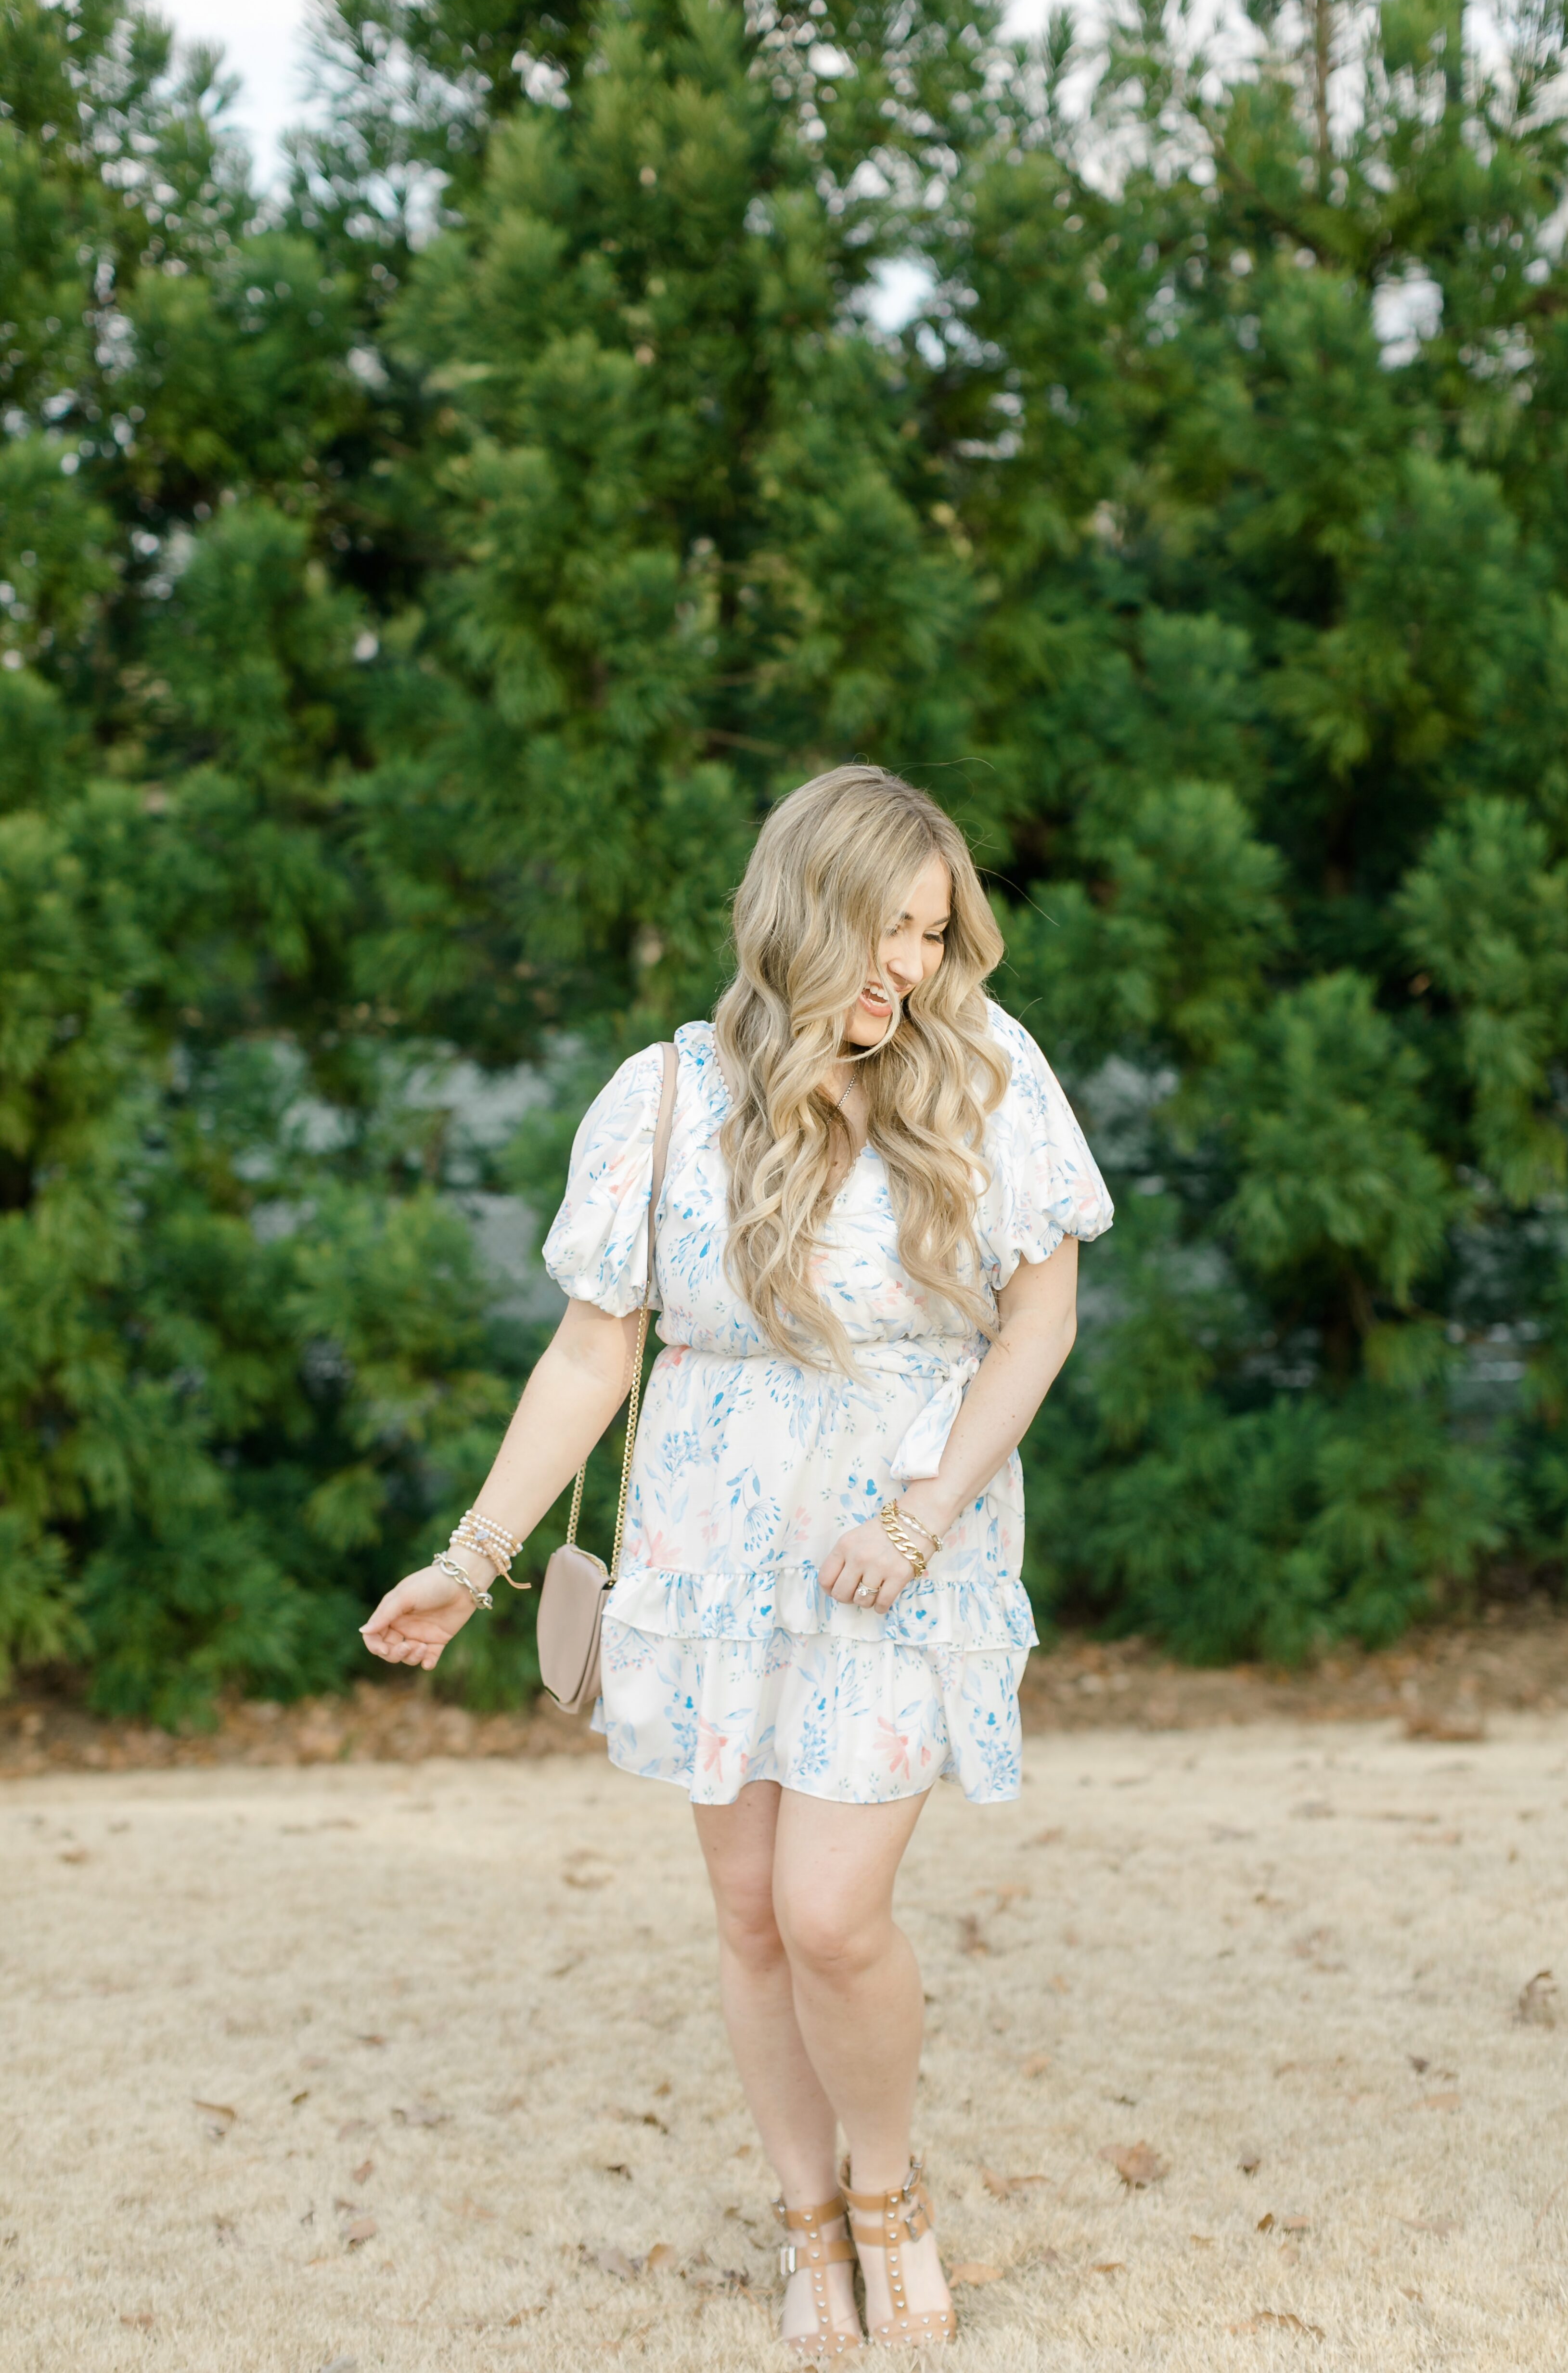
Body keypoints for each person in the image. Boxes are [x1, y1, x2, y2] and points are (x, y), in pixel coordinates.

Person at [359, 764, 1114, 2353]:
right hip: (714, 1552)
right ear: (797, 914)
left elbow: (1039, 1323)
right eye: (883, 929)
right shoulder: (662, 1096)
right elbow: (591, 1355)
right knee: (756, 1915)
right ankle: (806, 2216)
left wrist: (922, 1517)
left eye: (931, 932)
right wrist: (472, 1555)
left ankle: (890, 2186)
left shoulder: (985, 1073)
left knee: (837, 1912)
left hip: (905, 1536)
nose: (908, 968)